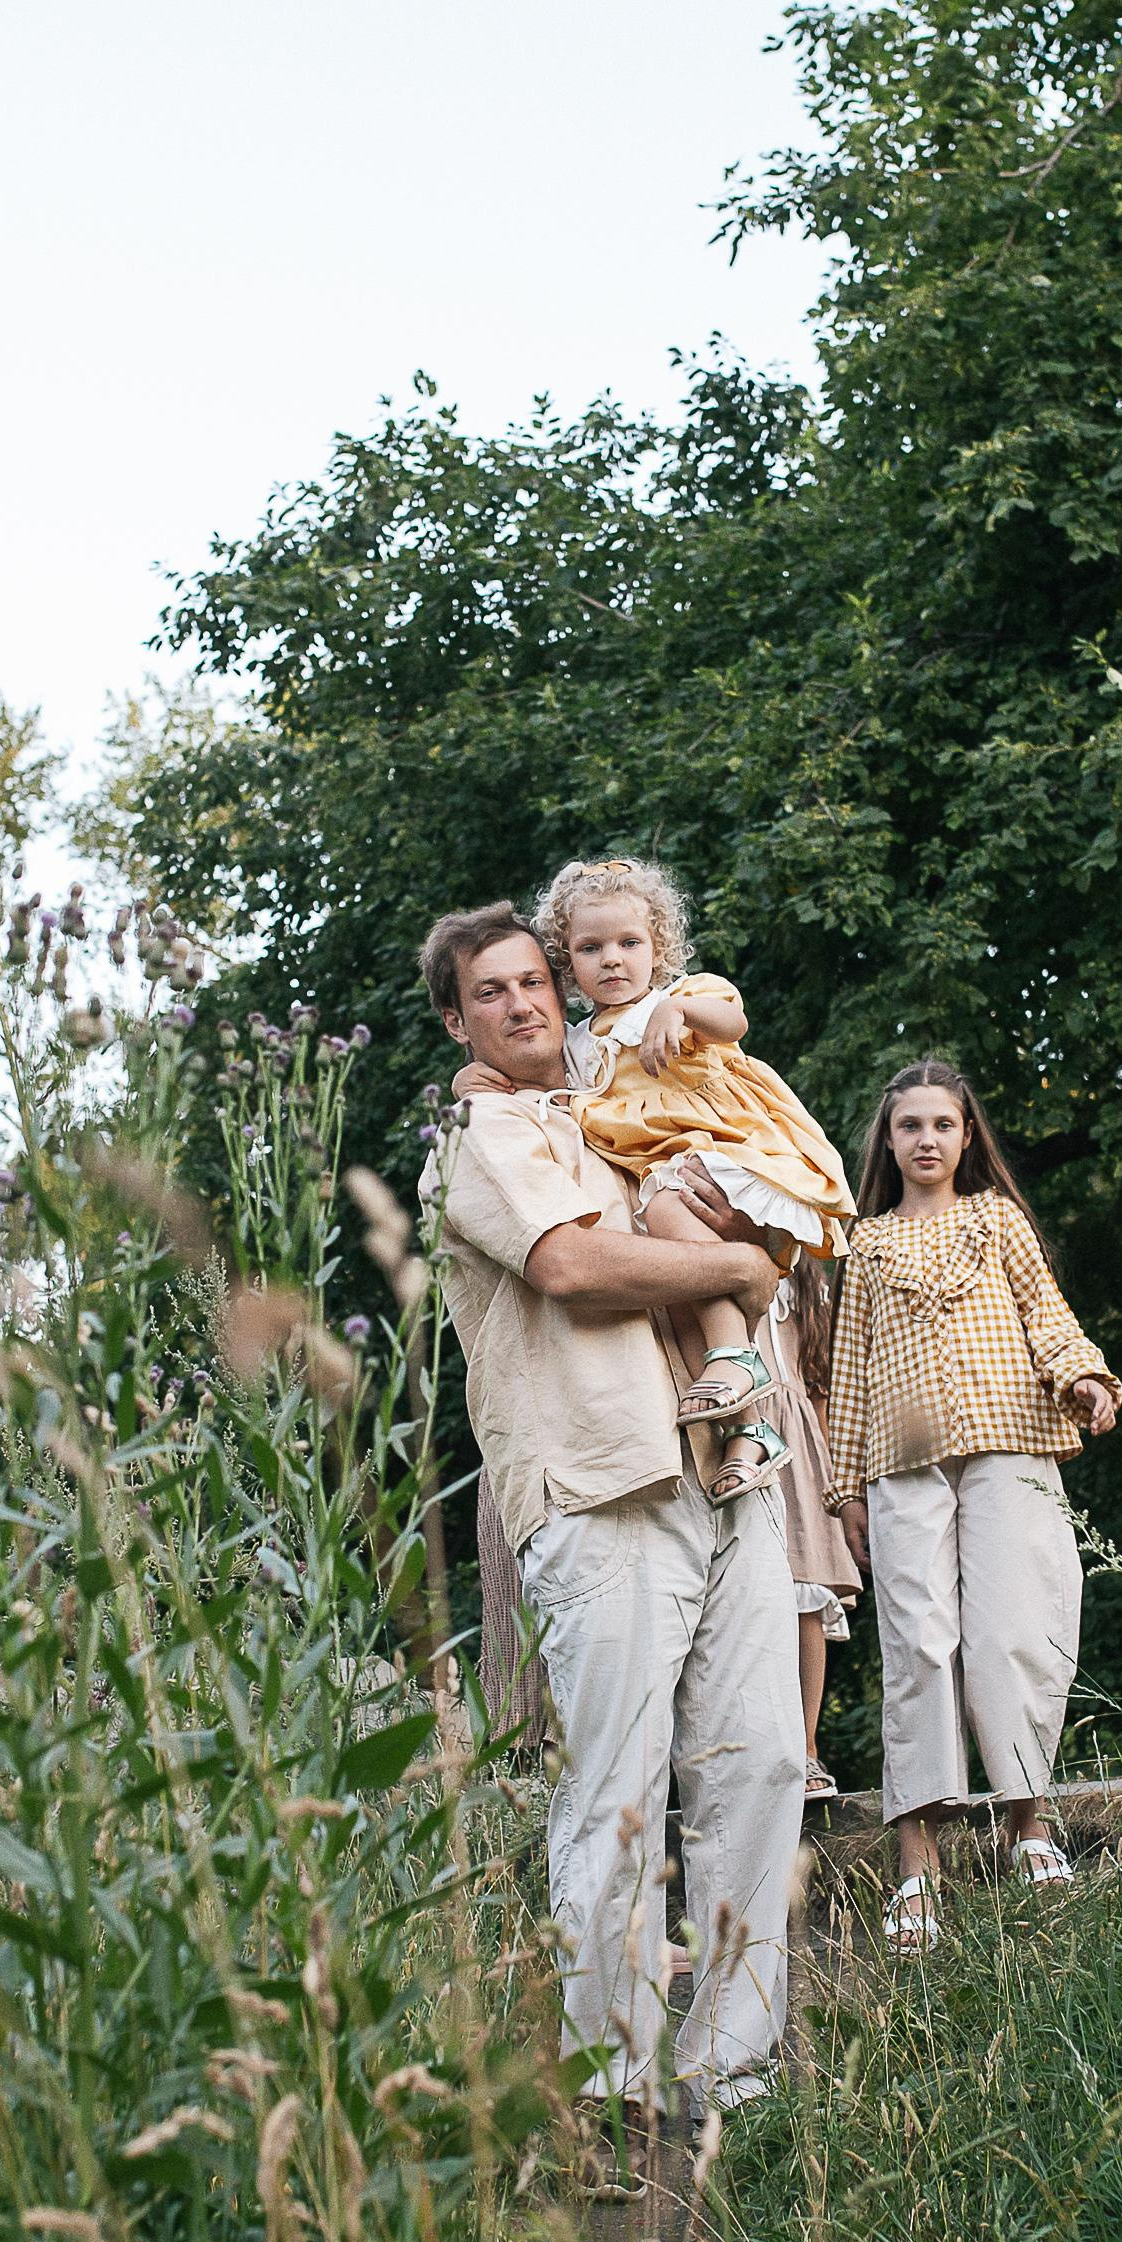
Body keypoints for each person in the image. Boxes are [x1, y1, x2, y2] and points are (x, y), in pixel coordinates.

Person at [419, 901, 807, 2107]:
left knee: (761, 1763)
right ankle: (614, 2084)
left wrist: (748, 1251)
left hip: (721, 1468)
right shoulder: (477, 1133)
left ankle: (731, 2068)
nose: (521, 1002)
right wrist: (737, 1265)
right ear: (456, 1022)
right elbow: (572, 1267)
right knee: (618, 1790)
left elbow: (743, 1212)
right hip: (598, 1484)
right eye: (489, 991)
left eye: (532, 980)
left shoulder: (612, 1099)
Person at [824, 1059, 1121, 1956]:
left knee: (1013, 1631)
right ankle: (915, 1864)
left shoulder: (996, 1220)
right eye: (908, 1125)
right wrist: (843, 1489)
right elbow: (847, 1369)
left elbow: (1047, 1316)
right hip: (900, 1461)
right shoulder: (865, 1244)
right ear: (887, 1141)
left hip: (1009, 1442)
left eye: (941, 1125)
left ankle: (1028, 1825)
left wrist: (1083, 1376)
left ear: (965, 1136)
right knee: (918, 1643)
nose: (926, 1139)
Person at [454, 856, 854, 1502]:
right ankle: (748, 1430)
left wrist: (680, 1011)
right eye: (591, 949)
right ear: (569, 965)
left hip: (709, 1149)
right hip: (658, 1169)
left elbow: (734, 1022)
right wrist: (464, 1077)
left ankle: (738, 1362)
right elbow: (539, 1077)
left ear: (658, 948)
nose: (612, 959)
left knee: (673, 1222)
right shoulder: (579, 1043)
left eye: (629, 943)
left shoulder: (679, 998)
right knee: (688, 1296)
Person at [763, 1263, 860, 1804]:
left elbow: (819, 1385)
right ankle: (750, 1754)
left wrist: (838, 1482)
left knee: (805, 1595)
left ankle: (805, 1749)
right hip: (736, 1423)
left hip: (798, 1444)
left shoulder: (807, 1278)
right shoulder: (705, 1249)